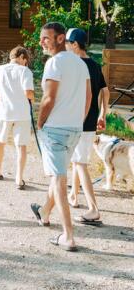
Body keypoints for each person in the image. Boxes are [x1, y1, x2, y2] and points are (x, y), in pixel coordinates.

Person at [30, 22, 91, 252]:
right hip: (74, 129)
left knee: (58, 180)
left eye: (45, 38)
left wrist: (39, 123)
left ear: (60, 38)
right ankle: (44, 212)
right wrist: (79, 120)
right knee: (59, 176)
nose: (41, 42)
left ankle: (68, 236)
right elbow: (88, 96)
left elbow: (49, 98)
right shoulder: (80, 63)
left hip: (55, 129)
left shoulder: (54, 63)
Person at [65, 28, 109, 225]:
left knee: (80, 164)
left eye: (67, 43)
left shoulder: (74, 65)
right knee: (78, 161)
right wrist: (102, 114)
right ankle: (74, 196)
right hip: (90, 121)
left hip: (78, 121)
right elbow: (105, 91)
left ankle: (93, 209)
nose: (65, 46)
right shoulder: (95, 65)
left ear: (75, 44)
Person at [0, 46, 34, 189]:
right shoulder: (25, 71)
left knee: (0, 141)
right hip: (22, 112)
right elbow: (29, 93)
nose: (26, 63)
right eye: (26, 61)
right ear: (22, 57)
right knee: (21, 145)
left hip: (4, 110)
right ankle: (19, 178)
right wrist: (33, 99)